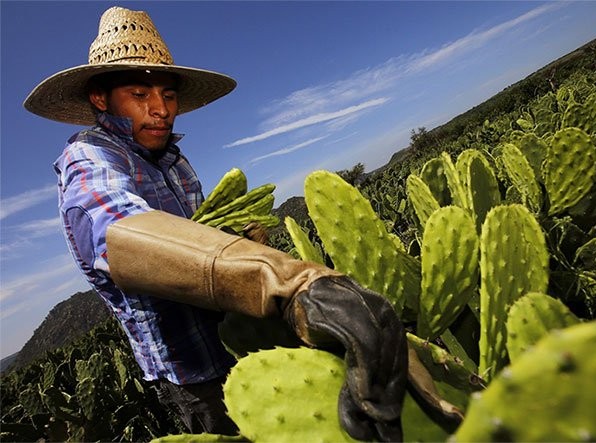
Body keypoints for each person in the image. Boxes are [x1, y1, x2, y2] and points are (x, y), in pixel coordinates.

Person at [24, 6, 407, 441]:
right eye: (139, 93)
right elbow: (113, 231)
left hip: (240, 343)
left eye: (168, 96)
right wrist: (285, 283)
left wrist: (242, 243)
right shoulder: (89, 157)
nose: (160, 110)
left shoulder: (174, 161)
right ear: (100, 98)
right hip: (193, 373)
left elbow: (203, 241)